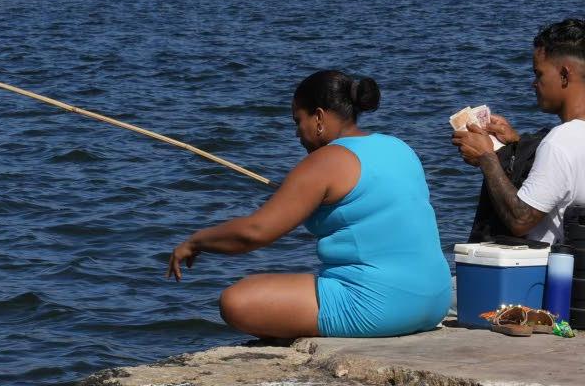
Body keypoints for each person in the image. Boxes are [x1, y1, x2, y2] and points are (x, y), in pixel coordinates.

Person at [168, 70, 451, 338]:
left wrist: (195, 242)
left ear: (318, 117)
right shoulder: (398, 146)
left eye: (297, 121)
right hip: (435, 300)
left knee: (236, 300)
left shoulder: (324, 161)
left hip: (380, 306)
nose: (297, 133)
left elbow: (254, 232)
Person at [453, 18, 585, 244]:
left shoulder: (560, 142)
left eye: (539, 74)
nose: (533, 83)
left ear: (565, 74)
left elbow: (521, 219)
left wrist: (488, 158)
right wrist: (516, 144)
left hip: (545, 276)